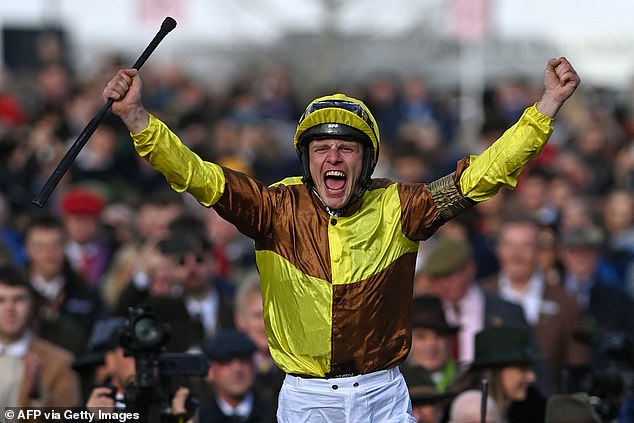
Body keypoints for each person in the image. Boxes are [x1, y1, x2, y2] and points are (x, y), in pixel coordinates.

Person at [103, 56, 580, 422]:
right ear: (306, 159)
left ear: (366, 161)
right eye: (322, 148)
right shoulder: (273, 207)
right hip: (306, 399)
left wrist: (545, 108)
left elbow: (480, 177)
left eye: (346, 148)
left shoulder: (400, 205)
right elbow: (197, 175)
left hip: (383, 394)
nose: (333, 157)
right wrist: (138, 119)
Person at [481, 214, 589, 393]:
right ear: (499, 249)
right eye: (509, 245)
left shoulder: (566, 303)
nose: (516, 254)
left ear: (540, 252)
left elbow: (576, 369)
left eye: (525, 246)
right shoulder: (481, 294)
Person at [0, 262, 80, 407]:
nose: (9, 308)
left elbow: (70, 416)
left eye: (18, 299)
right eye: (1, 300)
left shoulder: (60, 363)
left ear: (32, 304)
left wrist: (38, 395)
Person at [449, 325, 546, 423]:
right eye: (522, 369)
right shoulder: (464, 409)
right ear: (496, 372)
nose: (531, 377)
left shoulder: (534, 409)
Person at [197, 329, 277, 423]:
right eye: (226, 360)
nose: (237, 369)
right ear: (209, 371)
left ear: (254, 365)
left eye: (244, 359)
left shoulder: (276, 415)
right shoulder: (197, 418)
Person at [400, 294, 460, 394]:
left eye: (439, 336)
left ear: (449, 341)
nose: (431, 345)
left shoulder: (466, 381)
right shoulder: (396, 387)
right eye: (421, 337)